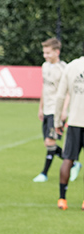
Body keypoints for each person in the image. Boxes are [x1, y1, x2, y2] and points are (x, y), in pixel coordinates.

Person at [35, 38, 73, 183]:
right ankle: (73, 163)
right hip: (46, 109)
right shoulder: (45, 66)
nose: (45, 55)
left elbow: (68, 91)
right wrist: (40, 107)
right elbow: (45, 88)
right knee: (47, 143)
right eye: (44, 52)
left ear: (56, 52)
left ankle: (44, 173)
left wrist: (64, 110)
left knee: (50, 142)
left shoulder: (64, 68)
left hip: (57, 111)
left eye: (48, 52)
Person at [54, 45, 84, 210]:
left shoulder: (71, 66)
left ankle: (62, 199)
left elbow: (60, 96)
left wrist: (57, 121)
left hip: (74, 121)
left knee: (68, 159)